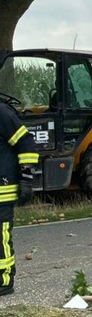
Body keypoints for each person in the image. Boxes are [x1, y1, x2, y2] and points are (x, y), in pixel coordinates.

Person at [0, 99, 38, 296]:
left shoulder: (2, 113)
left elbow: (26, 143)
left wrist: (26, 179)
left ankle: (4, 280)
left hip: (2, 189)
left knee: (0, 236)